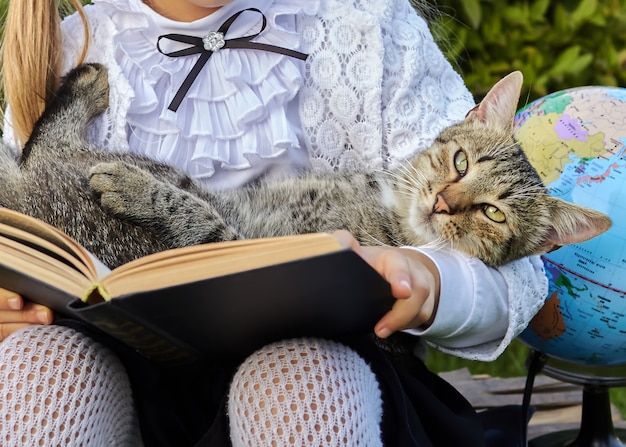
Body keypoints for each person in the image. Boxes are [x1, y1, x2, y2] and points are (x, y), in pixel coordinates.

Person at [0, 0, 548, 445]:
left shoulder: (369, 28)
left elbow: (522, 277)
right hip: (127, 365)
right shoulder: (75, 45)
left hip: (328, 364)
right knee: (37, 371)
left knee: (300, 379)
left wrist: (430, 280)